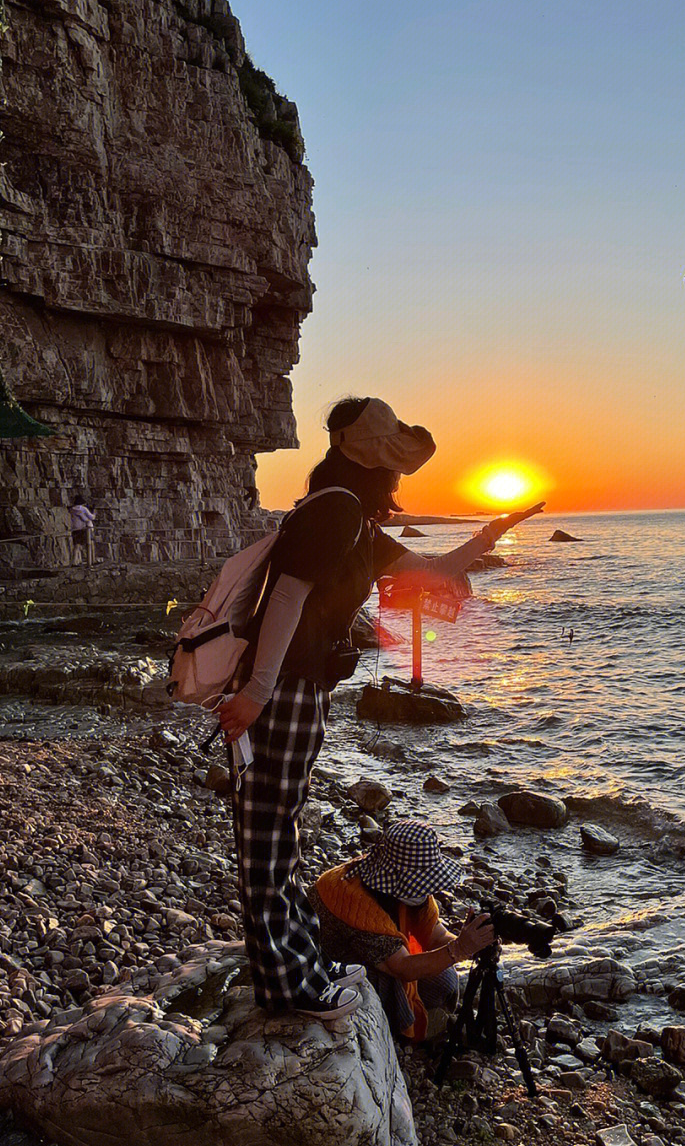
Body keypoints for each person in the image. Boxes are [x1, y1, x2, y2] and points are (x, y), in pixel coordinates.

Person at [217, 396, 542, 1021]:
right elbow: (287, 596)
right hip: (281, 690)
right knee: (266, 840)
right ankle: (289, 991)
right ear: (373, 464)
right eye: (394, 463)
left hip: (300, 690)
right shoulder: (337, 512)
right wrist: (257, 693)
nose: (398, 478)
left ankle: (297, 971)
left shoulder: (354, 521)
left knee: (278, 837)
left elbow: (434, 570)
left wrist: (497, 529)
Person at [312, 820, 494, 1042]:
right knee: (391, 985)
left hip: (385, 954)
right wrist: (460, 949)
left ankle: (430, 1019)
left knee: (445, 980)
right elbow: (402, 968)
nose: (430, 889)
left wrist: (473, 943)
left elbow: (434, 935)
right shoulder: (354, 902)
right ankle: (409, 1031)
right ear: (401, 877)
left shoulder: (400, 886)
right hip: (335, 966)